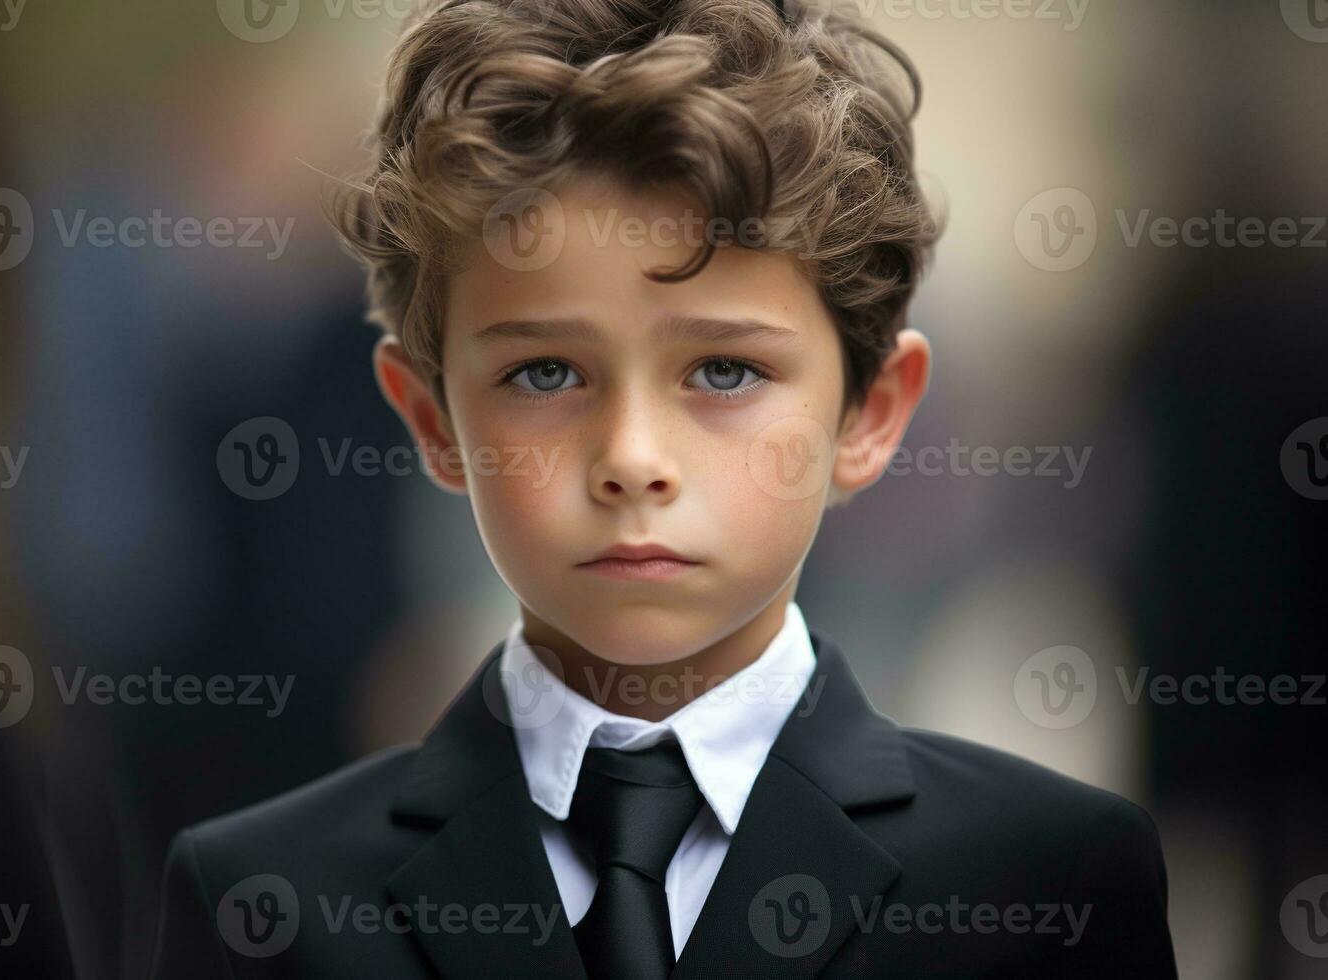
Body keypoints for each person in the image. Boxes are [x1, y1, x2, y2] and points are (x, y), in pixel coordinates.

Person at [151, 0, 1177, 975]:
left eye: (725, 371)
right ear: (431, 419)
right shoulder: (260, 898)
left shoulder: (1053, 878)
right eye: (544, 373)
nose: (633, 456)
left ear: (868, 413)